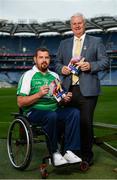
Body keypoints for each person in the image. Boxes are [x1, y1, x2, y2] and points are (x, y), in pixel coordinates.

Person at [55, 13, 109, 165]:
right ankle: (69, 152)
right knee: (68, 121)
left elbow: (105, 61)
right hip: (68, 89)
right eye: (74, 24)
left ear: (84, 24)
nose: (77, 26)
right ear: (71, 26)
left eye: (79, 23)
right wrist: (62, 69)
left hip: (88, 90)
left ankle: (86, 156)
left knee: (85, 122)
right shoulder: (64, 43)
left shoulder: (96, 41)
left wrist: (91, 65)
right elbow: (57, 63)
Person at [17, 47, 82, 167]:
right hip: (34, 111)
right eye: (41, 57)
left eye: (46, 57)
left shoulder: (54, 76)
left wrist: (64, 99)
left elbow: (59, 102)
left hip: (54, 110)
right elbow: (20, 102)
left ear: (49, 59)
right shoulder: (28, 75)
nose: (44, 60)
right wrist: (39, 94)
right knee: (51, 115)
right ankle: (54, 153)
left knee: (74, 112)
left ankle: (70, 151)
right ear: (35, 59)